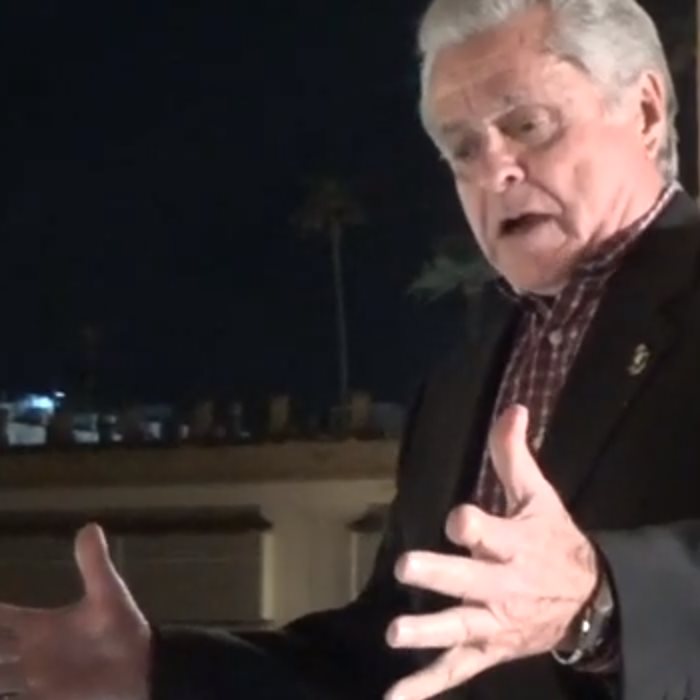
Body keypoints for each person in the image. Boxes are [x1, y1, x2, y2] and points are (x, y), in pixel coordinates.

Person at [1, 0, 700, 698]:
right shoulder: (459, 385)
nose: (494, 174)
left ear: (643, 110)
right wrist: (159, 670)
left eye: (527, 125)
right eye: (463, 149)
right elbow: (385, 652)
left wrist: (599, 604)